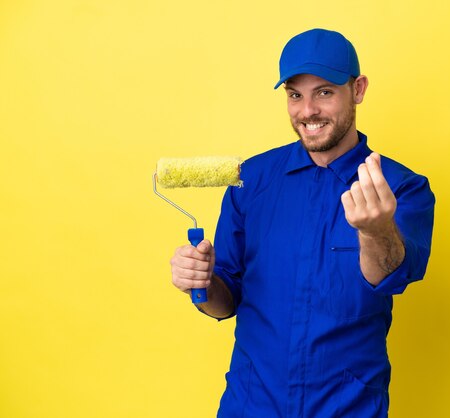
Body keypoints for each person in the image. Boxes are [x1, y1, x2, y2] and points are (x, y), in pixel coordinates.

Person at [169, 28, 435, 418]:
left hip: (348, 407)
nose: (307, 110)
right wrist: (202, 283)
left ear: (357, 89)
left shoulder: (400, 188)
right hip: (251, 404)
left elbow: (395, 275)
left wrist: (376, 231)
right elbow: (225, 303)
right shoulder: (251, 180)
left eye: (324, 92)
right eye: (295, 94)